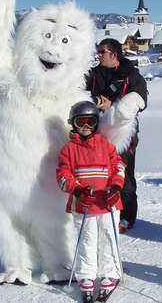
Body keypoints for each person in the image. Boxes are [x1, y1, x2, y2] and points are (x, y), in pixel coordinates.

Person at [56, 101, 125, 303]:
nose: (85, 126)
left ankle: (110, 273)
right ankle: (86, 275)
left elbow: (118, 167)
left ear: (96, 123)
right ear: (73, 124)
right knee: (87, 241)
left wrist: (116, 187)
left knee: (109, 237)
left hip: (108, 204)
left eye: (90, 122)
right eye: (81, 122)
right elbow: (62, 175)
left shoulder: (106, 146)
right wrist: (77, 189)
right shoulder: (68, 149)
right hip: (84, 204)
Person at [85, 38, 148, 233]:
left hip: (123, 132)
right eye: (98, 51)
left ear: (114, 54)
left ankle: (127, 216)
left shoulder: (132, 76)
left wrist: (113, 107)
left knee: (123, 173)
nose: (99, 55)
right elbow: (79, 93)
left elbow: (141, 101)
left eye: (102, 52)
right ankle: (100, 209)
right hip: (96, 130)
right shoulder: (93, 75)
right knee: (96, 173)